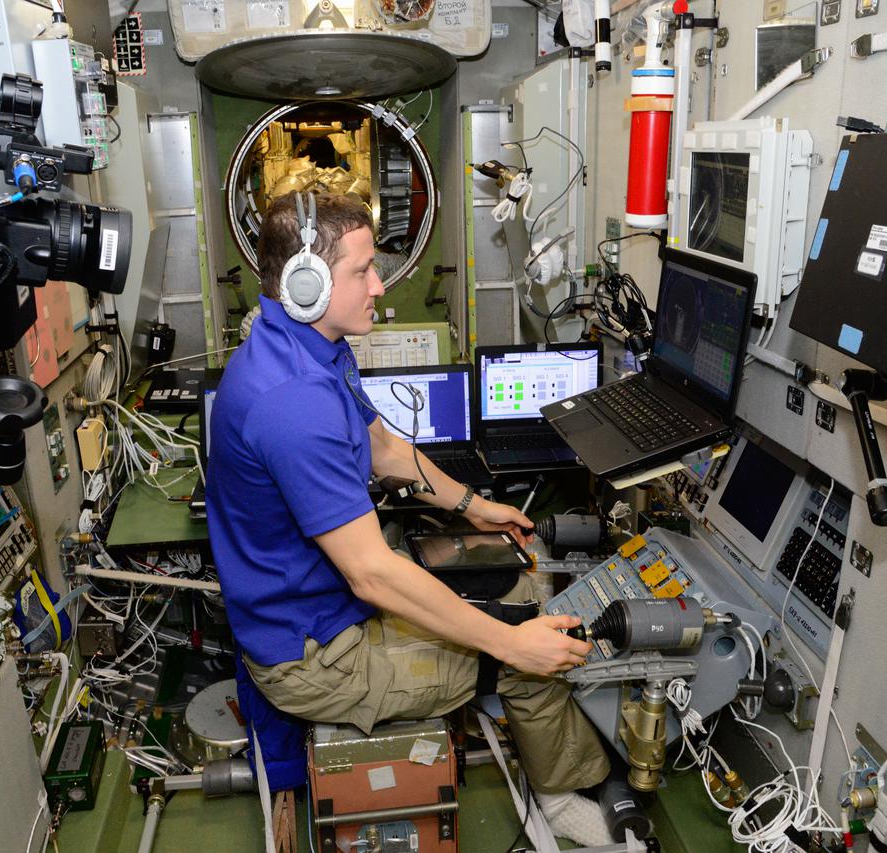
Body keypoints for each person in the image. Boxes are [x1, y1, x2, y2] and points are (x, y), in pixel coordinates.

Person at [206, 192, 612, 846]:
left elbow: (385, 449)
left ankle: (546, 747)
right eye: (362, 271)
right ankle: (558, 799)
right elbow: (372, 575)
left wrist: (476, 506)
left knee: (516, 580)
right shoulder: (292, 405)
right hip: (317, 656)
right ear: (305, 285)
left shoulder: (307, 345)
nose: (380, 283)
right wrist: (512, 644)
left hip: (315, 603)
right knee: (532, 638)